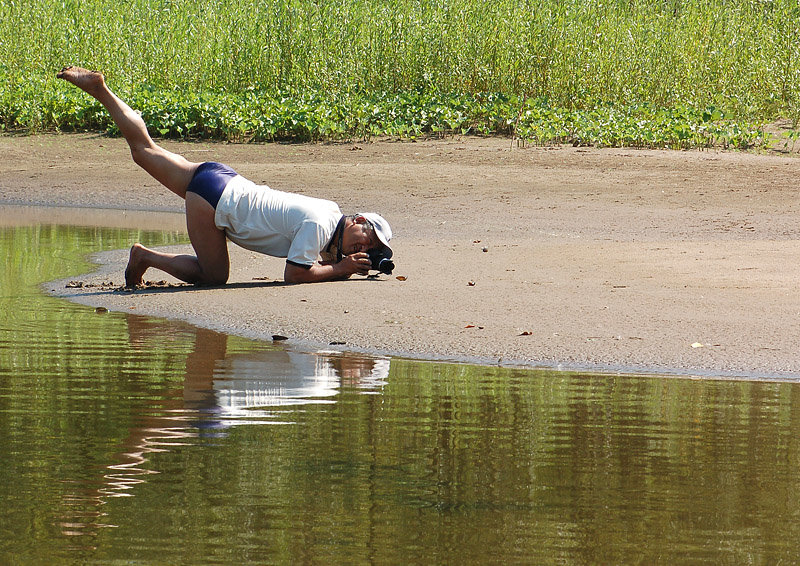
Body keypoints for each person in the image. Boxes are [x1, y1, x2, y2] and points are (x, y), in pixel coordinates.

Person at [56, 66, 393, 287]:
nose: (366, 245)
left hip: (221, 179)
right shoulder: (320, 227)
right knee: (215, 277)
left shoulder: (328, 213)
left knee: (144, 151)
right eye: (369, 236)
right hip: (214, 202)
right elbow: (295, 274)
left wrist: (340, 262)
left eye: (372, 247)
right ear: (358, 219)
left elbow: (315, 252)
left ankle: (100, 90)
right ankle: (144, 257)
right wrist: (341, 269)